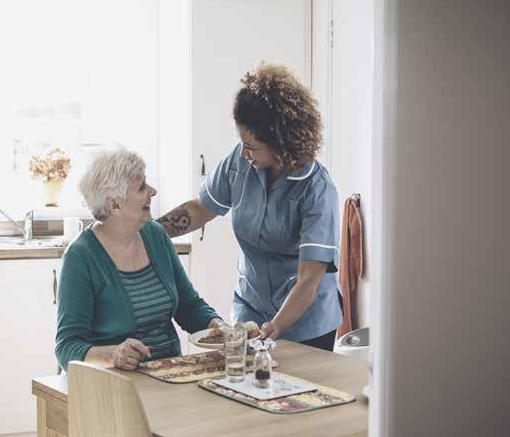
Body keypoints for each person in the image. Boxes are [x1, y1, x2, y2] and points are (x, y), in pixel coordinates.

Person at [158, 64, 342, 351]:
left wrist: (276, 326)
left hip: (305, 324)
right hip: (251, 311)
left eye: (252, 146)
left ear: (280, 144)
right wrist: (149, 231)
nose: (244, 152)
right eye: (242, 143)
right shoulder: (240, 161)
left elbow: (310, 278)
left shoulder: (317, 189)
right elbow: (201, 208)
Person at [55, 146, 223, 371]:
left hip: (169, 374)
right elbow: (67, 347)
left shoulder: (156, 235)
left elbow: (189, 307)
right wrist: (114, 355)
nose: (152, 192)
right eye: (142, 187)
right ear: (114, 205)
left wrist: (220, 328)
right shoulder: (81, 256)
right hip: (114, 382)